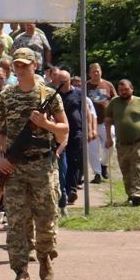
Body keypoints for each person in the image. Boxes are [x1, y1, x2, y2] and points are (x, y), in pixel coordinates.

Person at [0, 48, 67, 280]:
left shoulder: (48, 95)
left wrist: (46, 124)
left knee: (46, 218)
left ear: (35, 65)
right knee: (16, 221)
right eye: (17, 65)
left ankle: (44, 256)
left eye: (25, 64)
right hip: (14, 167)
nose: (20, 69)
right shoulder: (6, 95)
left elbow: (64, 130)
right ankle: (20, 271)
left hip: (42, 165)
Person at [103, 78, 140, 206]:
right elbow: (107, 120)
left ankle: (137, 193)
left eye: (126, 89)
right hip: (121, 144)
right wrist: (108, 138)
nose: (123, 92)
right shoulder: (114, 102)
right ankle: (131, 195)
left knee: (137, 167)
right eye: (121, 90)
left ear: (132, 89)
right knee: (126, 171)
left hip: (138, 142)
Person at [52, 66, 85, 205]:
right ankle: (62, 189)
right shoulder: (54, 95)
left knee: (74, 160)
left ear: (69, 80)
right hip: (59, 133)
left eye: (64, 81)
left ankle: (71, 189)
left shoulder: (78, 93)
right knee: (62, 162)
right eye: (59, 81)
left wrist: (89, 130)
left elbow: (86, 112)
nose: (62, 84)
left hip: (76, 132)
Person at [85, 63, 116, 182]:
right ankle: (97, 174)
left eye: (98, 71)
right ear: (89, 73)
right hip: (91, 123)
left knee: (111, 143)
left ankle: (103, 164)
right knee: (92, 150)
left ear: (101, 72)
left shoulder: (108, 85)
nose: (96, 73)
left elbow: (114, 99)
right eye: (93, 71)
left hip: (106, 122)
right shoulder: (86, 86)